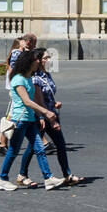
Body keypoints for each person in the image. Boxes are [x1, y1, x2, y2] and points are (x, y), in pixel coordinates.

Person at [0, 48, 65, 191]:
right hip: (19, 119)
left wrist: (39, 116)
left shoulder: (28, 78)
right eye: (36, 60)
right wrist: (46, 112)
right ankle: (2, 179)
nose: (39, 62)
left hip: (30, 119)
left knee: (39, 149)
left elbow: (33, 100)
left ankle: (48, 178)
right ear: (29, 62)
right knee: (14, 151)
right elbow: (27, 101)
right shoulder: (18, 79)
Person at [33, 49, 83, 185]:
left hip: (52, 114)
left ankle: (67, 175)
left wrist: (55, 103)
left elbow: (48, 94)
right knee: (33, 148)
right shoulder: (35, 78)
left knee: (60, 144)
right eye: (47, 58)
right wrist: (45, 116)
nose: (49, 60)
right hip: (42, 117)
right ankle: (21, 174)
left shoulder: (47, 75)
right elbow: (37, 100)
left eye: (49, 57)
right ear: (40, 60)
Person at [0, 34, 37, 154]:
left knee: (13, 114)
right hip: (17, 88)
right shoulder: (16, 53)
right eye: (31, 43)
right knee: (12, 115)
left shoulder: (22, 52)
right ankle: (1, 142)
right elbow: (18, 69)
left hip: (21, 87)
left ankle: (0, 141)